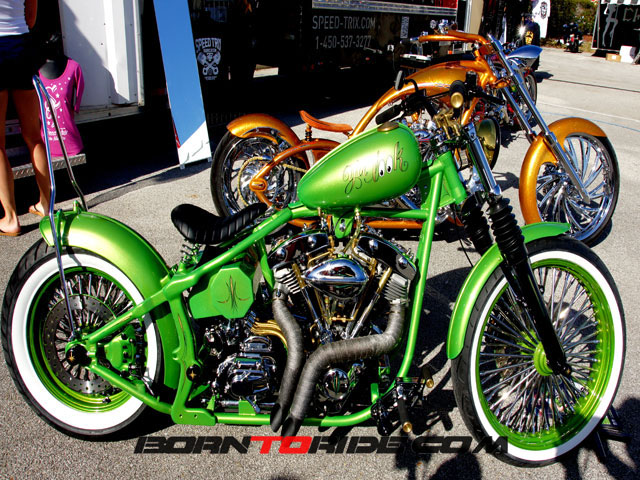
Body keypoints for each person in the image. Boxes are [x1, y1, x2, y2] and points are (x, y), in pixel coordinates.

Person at [0, 0, 51, 236]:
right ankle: (46, 205)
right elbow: (30, 18)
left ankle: (11, 218)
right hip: (21, 47)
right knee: (33, 135)